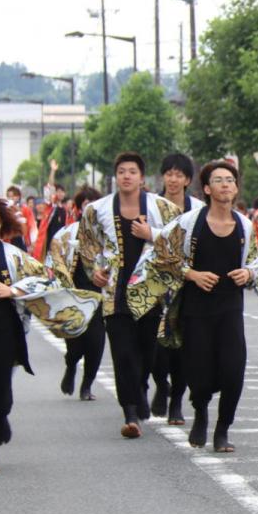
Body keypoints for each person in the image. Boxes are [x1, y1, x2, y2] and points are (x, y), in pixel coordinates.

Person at [129, 160, 258, 453]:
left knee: (234, 370)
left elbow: (256, 260)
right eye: (218, 180)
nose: (225, 184)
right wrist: (192, 274)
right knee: (198, 371)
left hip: (230, 309)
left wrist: (249, 273)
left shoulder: (245, 225)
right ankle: (200, 413)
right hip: (196, 309)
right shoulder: (190, 223)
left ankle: (223, 429)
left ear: (236, 187)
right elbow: (161, 253)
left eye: (230, 179)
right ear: (207, 188)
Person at [0, 195, 98, 472]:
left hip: (4, 332)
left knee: (0, 393)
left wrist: (14, 290)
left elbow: (46, 278)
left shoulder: (11, 255)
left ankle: (2, 415)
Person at [77, 151, 183, 438]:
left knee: (147, 352)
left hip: (151, 290)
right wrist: (94, 271)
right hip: (116, 292)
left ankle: (141, 386)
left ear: (142, 177)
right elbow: (86, 243)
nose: (126, 176)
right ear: (116, 176)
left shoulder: (163, 208)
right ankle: (131, 413)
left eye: (132, 171)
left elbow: (179, 241)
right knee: (123, 353)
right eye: (122, 171)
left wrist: (152, 234)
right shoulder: (97, 209)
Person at [150, 152, 204, 422]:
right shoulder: (150, 206)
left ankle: (176, 403)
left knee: (182, 344)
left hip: (186, 284)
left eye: (179, 175)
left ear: (188, 180)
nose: (173, 179)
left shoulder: (197, 208)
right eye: (169, 174)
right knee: (156, 346)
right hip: (155, 284)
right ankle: (161, 385)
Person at [47, 186, 106, 402]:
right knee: (75, 342)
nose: (89, 207)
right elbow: (53, 260)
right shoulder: (65, 233)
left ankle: (87, 385)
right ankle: (71, 365)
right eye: (85, 203)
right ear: (79, 207)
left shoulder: (106, 234)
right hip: (72, 295)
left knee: (96, 341)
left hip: (100, 296)